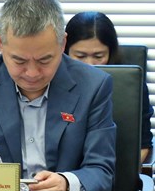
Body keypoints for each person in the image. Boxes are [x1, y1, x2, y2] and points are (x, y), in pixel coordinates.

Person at [0, 0, 116, 191]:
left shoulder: (94, 85)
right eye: (19, 60)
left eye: (44, 60)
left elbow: (101, 171)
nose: (32, 73)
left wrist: (66, 183)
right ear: (1, 44)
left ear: (63, 44)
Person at [65, 11, 154, 163]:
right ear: (65, 50)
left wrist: (125, 173)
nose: (90, 65)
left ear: (111, 52)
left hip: (113, 170)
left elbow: (143, 145)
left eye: (98, 56)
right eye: (80, 56)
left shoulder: (130, 85)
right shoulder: (52, 79)